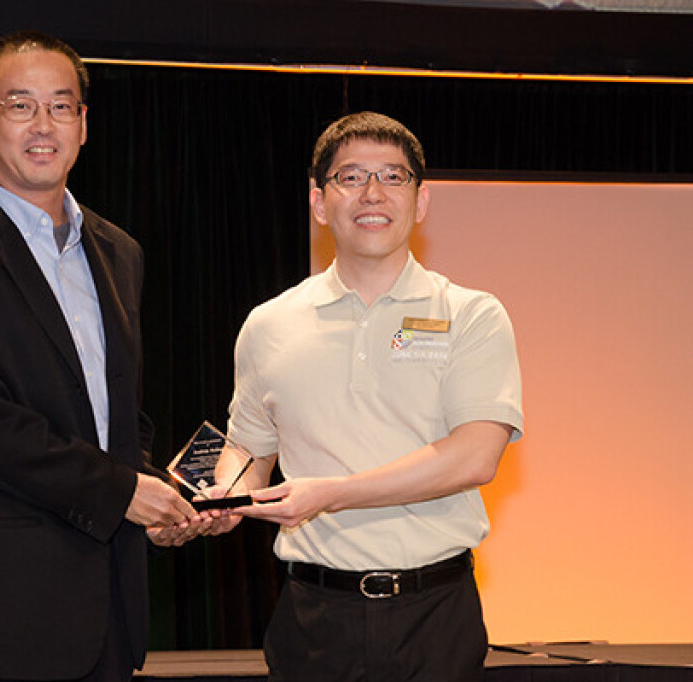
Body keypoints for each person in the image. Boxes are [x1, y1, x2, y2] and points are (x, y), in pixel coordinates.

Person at [0, 31, 203, 682]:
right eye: (20, 104)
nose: (43, 125)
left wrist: (160, 498)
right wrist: (122, 494)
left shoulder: (119, 252)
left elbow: (114, 415)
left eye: (62, 106)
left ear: (84, 126)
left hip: (108, 619)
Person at [210, 111, 524, 681]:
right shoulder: (269, 324)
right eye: (350, 177)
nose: (372, 193)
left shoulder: (471, 314)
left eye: (393, 177)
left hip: (435, 616)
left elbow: (476, 456)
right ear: (318, 201)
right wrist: (216, 500)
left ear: (421, 201)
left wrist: (332, 493)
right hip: (312, 619)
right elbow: (249, 456)